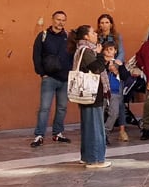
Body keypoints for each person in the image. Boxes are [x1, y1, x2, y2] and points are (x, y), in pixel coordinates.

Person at [31, 10, 72, 147]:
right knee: (44, 107)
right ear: (52, 20)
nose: (60, 22)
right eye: (58, 19)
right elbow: (36, 56)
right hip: (49, 78)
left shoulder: (68, 36)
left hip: (65, 79)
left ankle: (58, 133)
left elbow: (72, 55)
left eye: (63, 20)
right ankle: (39, 135)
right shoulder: (43, 36)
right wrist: (42, 73)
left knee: (62, 107)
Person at [70, 25, 110, 168]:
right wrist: (100, 54)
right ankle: (96, 159)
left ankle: (87, 156)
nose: (96, 34)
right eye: (93, 32)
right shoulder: (87, 51)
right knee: (95, 128)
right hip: (92, 93)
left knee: (88, 127)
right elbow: (97, 68)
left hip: (84, 93)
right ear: (86, 36)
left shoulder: (80, 50)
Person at [101, 40, 126, 145]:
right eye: (106, 50)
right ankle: (99, 134)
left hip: (115, 92)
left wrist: (117, 70)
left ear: (115, 51)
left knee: (114, 113)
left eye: (111, 49)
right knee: (100, 113)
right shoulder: (101, 62)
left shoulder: (119, 63)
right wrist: (107, 67)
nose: (109, 52)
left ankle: (105, 132)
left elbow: (125, 76)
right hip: (102, 92)